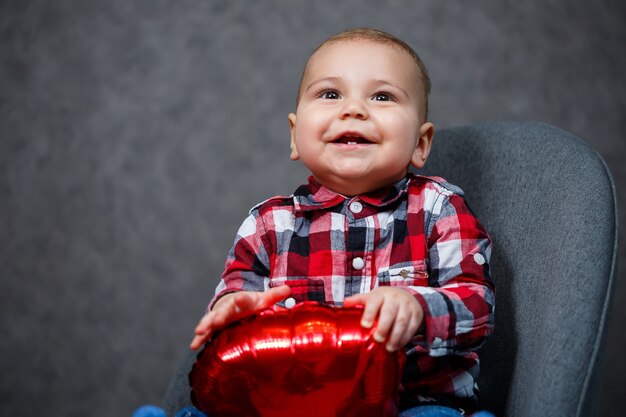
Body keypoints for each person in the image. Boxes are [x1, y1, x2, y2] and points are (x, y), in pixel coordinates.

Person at [189, 28, 495, 417]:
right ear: (295, 136)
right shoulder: (268, 224)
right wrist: (237, 312)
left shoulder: (438, 208)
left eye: (382, 96)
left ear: (420, 144)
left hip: (412, 404)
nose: (353, 109)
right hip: (291, 405)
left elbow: (478, 307)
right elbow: (226, 315)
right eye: (330, 94)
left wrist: (417, 307)